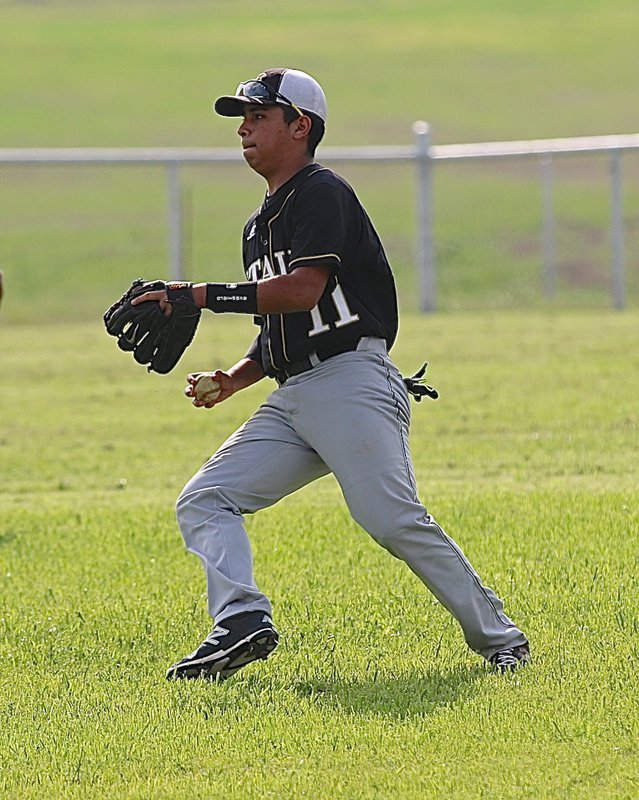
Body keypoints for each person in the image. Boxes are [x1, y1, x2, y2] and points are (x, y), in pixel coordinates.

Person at [134, 68, 530, 681]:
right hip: (296, 395)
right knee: (206, 499)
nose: (244, 127)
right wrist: (237, 377)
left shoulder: (321, 191)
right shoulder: (259, 222)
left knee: (390, 517)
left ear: (301, 126)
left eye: (259, 116)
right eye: (243, 116)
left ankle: (501, 637)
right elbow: (283, 326)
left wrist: (201, 295)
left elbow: (302, 290)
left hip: (351, 381)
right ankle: (240, 619)